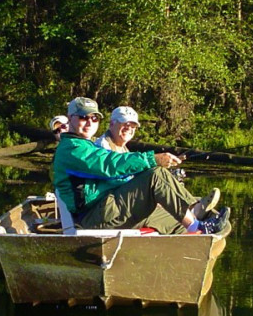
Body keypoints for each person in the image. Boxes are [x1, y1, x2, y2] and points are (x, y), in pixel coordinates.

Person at [53, 97, 229, 235]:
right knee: (155, 175)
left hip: (106, 209)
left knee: (175, 218)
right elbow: (109, 165)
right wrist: (152, 160)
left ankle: (195, 221)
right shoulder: (72, 149)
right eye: (83, 117)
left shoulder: (85, 145)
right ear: (70, 119)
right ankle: (197, 223)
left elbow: (112, 176)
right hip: (94, 217)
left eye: (94, 118)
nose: (90, 122)